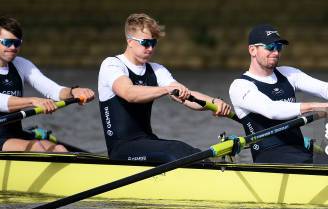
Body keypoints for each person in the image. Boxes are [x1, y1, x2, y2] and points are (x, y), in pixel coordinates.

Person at [229, 24, 328, 164]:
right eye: (270, 47)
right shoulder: (240, 86)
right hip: (270, 157)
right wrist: (315, 106)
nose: (276, 52)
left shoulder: (288, 74)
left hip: (300, 151)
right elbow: (271, 110)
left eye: (279, 47)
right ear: (252, 50)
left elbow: (325, 89)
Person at [98, 12, 233, 162]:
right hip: (121, 149)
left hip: (148, 142)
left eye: (153, 43)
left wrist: (214, 103)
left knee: (193, 153)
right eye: (145, 43)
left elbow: (186, 96)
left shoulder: (156, 69)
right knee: (175, 150)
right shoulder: (112, 65)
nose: (150, 48)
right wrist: (165, 90)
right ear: (130, 41)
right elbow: (129, 93)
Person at [0, 17, 95, 152]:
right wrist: (33, 100)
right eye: (7, 42)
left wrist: (73, 92)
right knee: (37, 147)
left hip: (16, 135)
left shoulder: (21, 64)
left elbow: (53, 90)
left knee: (60, 149)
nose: (13, 48)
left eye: (17, 43)